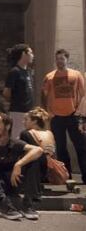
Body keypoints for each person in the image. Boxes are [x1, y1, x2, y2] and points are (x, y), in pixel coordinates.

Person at [0, 108, 43, 220]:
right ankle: (4, 205)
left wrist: (19, 164)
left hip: (13, 183)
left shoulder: (15, 143)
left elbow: (38, 150)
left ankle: (28, 205)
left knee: (34, 159)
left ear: (7, 126)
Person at [42, 49, 86, 183]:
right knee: (60, 148)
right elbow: (43, 94)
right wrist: (47, 111)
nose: (59, 61)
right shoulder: (49, 76)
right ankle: (66, 176)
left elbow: (83, 94)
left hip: (73, 115)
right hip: (57, 117)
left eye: (62, 58)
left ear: (67, 59)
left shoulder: (76, 75)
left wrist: (80, 112)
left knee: (81, 146)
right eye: (57, 59)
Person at [3, 44, 34, 139]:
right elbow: (6, 93)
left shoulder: (28, 71)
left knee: (27, 139)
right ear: (24, 54)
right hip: (17, 112)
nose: (33, 55)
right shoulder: (14, 72)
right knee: (17, 138)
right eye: (31, 52)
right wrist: (17, 103)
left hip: (28, 112)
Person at [20, 107, 56, 180]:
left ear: (35, 121)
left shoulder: (26, 133)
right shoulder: (49, 133)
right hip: (50, 171)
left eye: (26, 119)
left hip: (34, 171)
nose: (23, 122)